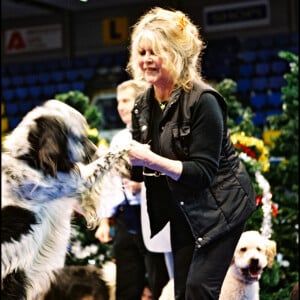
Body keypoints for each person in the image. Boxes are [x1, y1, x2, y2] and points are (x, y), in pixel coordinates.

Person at [126, 7, 256, 300]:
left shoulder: (204, 100)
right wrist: (121, 162)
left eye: (154, 52)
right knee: (182, 291)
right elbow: (138, 171)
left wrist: (148, 158)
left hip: (221, 208)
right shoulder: (142, 105)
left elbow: (202, 173)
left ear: (175, 54)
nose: (146, 59)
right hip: (182, 209)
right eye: (141, 51)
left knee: (199, 289)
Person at [95, 79, 170, 300]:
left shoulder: (160, 132)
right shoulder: (118, 139)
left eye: (126, 100)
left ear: (140, 101)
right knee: (126, 286)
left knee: (160, 281)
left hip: (154, 215)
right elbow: (110, 184)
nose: (120, 106)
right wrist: (104, 221)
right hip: (125, 219)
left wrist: (143, 185)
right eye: (118, 101)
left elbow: (171, 173)